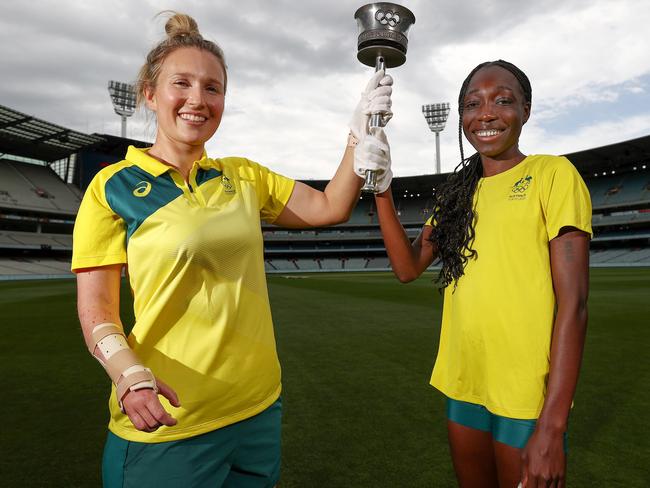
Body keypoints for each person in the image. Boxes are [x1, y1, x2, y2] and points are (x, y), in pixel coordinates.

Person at [72, 12, 392, 487]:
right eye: (181, 83)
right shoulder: (112, 187)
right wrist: (128, 375)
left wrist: (360, 131)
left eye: (213, 88)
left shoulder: (243, 175)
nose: (198, 100)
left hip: (258, 408)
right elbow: (97, 314)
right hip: (170, 415)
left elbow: (329, 206)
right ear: (149, 93)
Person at [366, 60, 592, 487]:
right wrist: (381, 188)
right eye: (473, 104)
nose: (486, 113)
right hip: (464, 380)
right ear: (462, 117)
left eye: (502, 100)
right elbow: (407, 267)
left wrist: (553, 425)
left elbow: (575, 305)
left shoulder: (553, 174)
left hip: (527, 394)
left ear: (526, 109)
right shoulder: (457, 194)